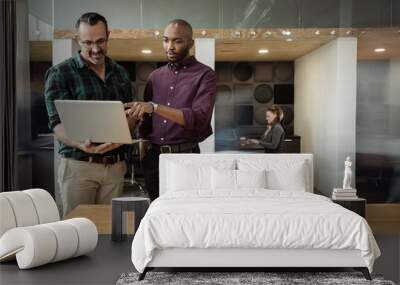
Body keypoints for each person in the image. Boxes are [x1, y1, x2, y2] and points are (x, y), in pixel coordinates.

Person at [44, 12, 136, 216]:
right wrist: (79, 143)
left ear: (108, 36)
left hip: (115, 166)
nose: (95, 49)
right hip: (79, 166)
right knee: (77, 232)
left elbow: (130, 116)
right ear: (78, 39)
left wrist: (121, 137)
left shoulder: (120, 73)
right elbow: (56, 124)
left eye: (101, 41)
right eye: (88, 43)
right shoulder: (60, 73)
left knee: (111, 231)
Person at [125, 19, 217, 201]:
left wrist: (156, 107)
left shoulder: (205, 75)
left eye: (177, 41)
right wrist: (143, 141)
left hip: (187, 158)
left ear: (190, 43)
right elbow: (146, 118)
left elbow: (199, 119)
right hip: (153, 159)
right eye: (166, 40)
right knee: (156, 211)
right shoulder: (154, 77)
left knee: (186, 213)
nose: (170, 46)